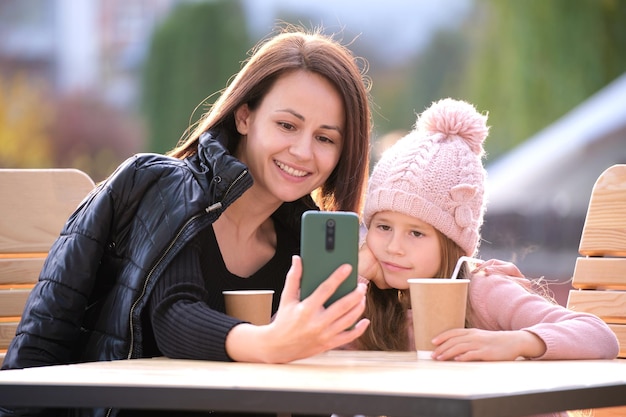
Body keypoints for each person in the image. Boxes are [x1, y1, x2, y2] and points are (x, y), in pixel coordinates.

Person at [1, 25, 372, 417]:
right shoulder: (167, 188)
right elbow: (173, 315)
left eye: (325, 138)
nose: (302, 151)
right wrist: (268, 343)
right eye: (287, 125)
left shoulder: (305, 244)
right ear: (245, 116)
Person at [354, 98, 619, 365]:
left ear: (451, 241)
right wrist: (357, 275)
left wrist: (514, 342)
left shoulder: (482, 292)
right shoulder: (374, 305)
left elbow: (600, 337)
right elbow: (327, 353)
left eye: (416, 233)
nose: (393, 247)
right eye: (383, 226)